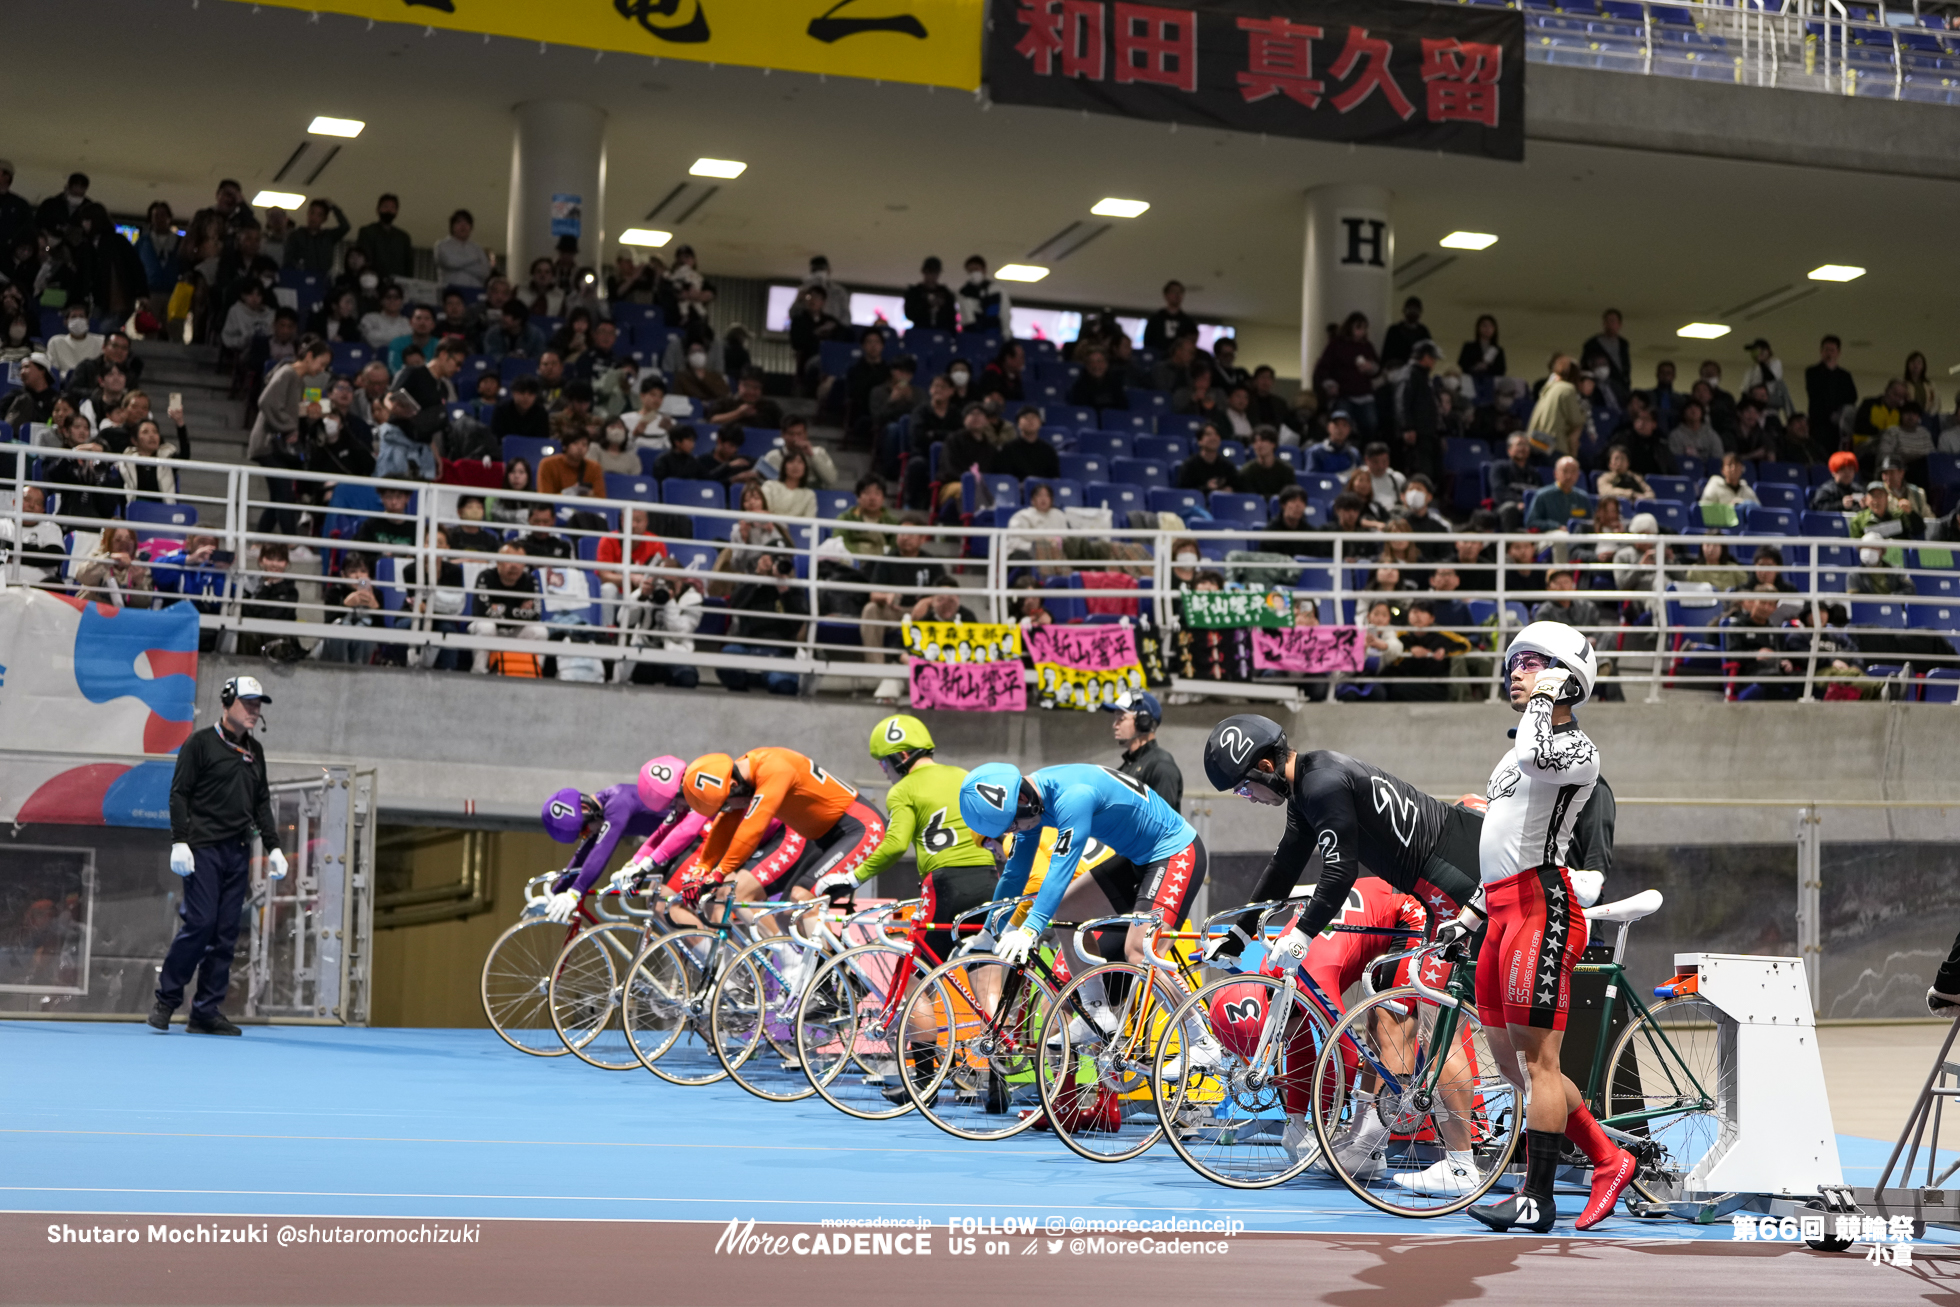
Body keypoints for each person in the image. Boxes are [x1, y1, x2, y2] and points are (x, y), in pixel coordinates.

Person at [1430, 623, 1633, 1233]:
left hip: (1542, 909)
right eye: (1514, 662)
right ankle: (1607, 1156)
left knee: (1540, 1063)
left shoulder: (1579, 749)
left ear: (1566, 675)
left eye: (1531, 663)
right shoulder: (1516, 749)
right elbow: (1501, 843)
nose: (1515, 672)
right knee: (1514, 1066)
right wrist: (1470, 914)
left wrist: (1549, 693)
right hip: (1500, 908)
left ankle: (1536, 1197)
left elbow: (1533, 754)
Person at [959, 761, 1208, 980]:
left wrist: (1030, 928)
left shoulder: (1073, 796)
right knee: (1067, 911)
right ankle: (1096, 1014)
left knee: (1139, 953)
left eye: (1012, 825)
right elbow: (1015, 873)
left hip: (1176, 852)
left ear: (1023, 800)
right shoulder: (1033, 804)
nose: (1013, 832)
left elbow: (1060, 869)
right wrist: (990, 929)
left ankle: (1198, 1032)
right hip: (1139, 858)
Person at [149, 676, 288, 1037]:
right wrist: (180, 841)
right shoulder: (200, 744)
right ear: (227, 703)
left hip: (237, 851)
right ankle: (166, 1000)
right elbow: (179, 794)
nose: (255, 711)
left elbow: (261, 802)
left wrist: (273, 847)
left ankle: (205, 1012)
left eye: (259, 704)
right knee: (200, 924)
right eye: (248, 703)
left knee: (226, 933)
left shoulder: (255, 752)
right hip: (203, 849)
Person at [843, 716, 998, 966]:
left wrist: (854, 877)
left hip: (945, 884)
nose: (883, 770)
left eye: (883, 762)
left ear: (901, 755)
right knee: (983, 971)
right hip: (988, 879)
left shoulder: (903, 790)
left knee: (914, 975)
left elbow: (895, 845)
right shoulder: (964, 776)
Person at [678, 749, 888, 913]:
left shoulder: (773, 768)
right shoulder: (741, 775)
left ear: (733, 785)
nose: (728, 810)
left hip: (860, 828)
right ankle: (831, 965)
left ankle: (830, 969)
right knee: (787, 914)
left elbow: (752, 829)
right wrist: (702, 869)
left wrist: (719, 873)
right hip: (827, 837)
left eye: (725, 804)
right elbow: (725, 824)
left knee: (802, 897)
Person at [534, 781, 666, 924]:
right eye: (582, 836)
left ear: (586, 809)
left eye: (584, 832)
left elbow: (602, 850)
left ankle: (694, 944)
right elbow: (582, 859)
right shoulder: (598, 816)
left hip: (690, 839)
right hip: (680, 846)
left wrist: (574, 893)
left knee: (661, 905)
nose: (588, 836)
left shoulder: (618, 803)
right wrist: (553, 896)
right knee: (656, 901)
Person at [1103, 690, 1180, 809]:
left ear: (1143, 722)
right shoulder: (1126, 767)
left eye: (1121, 718)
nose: (1115, 725)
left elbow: (1163, 823)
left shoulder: (1161, 766)